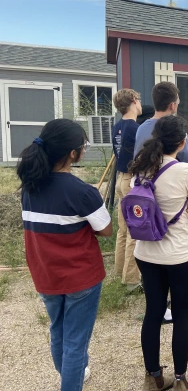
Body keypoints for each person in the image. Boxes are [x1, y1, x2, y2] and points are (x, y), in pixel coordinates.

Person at [17, 119, 113, 391]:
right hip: (80, 277)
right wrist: (94, 200)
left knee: (58, 329)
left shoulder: (30, 186)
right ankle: (71, 382)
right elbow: (106, 230)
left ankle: (72, 376)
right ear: (73, 153)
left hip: (45, 273)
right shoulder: (82, 192)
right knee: (76, 341)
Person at [130, 115, 188, 391]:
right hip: (180, 255)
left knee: (153, 312)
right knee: (182, 313)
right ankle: (181, 380)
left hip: (146, 253)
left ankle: (153, 378)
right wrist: (185, 208)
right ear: (182, 143)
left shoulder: (141, 169)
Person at [135, 82, 188, 323]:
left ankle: (157, 301)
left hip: (143, 201)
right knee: (175, 256)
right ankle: (170, 305)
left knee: (151, 258)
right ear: (173, 105)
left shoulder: (141, 129)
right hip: (172, 203)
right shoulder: (177, 132)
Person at [112, 88, 142, 292]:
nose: (140, 104)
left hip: (120, 179)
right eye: (139, 100)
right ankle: (131, 281)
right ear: (133, 100)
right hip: (131, 181)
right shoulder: (136, 128)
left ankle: (119, 271)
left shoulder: (117, 127)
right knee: (134, 232)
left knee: (123, 230)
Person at [134, 82, 188, 164]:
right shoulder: (176, 129)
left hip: (146, 175)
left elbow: (137, 159)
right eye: (178, 102)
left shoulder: (141, 129)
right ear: (172, 106)